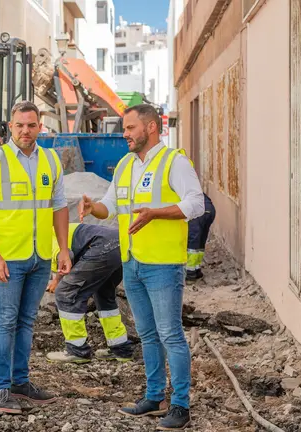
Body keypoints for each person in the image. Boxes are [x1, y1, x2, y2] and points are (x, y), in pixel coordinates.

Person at [78, 104, 204, 431]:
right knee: (147, 334)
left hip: (162, 265)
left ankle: (180, 405)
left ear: (150, 127)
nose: (124, 134)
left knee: (170, 334)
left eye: (130, 128)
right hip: (132, 263)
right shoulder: (125, 165)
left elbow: (196, 203)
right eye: (124, 128)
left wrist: (156, 213)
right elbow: (110, 205)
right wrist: (94, 207)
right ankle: (154, 397)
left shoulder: (174, 162)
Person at [0, 100, 72, 414]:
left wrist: (63, 249)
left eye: (31, 125)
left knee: (26, 322)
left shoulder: (51, 160)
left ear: (40, 126)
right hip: (9, 258)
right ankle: (0, 388)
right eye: (20, 125)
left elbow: (59, 208)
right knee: (4, 322)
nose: (26, 131)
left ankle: (20, 382)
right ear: (10, 126)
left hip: (40, 256)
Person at [44, 222, 135, 364]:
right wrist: (56, 279)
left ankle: (77, 350)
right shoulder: (55, 229)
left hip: (102, 245)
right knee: (104, 293)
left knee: (66, 292)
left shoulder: (45, 237)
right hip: (119, 243)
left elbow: (67, 256)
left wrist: (57, 281)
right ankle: (120, 348)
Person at [186, 192, 216, 281]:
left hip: (198, 211)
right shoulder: (192, 187)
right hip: (210, 210)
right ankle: (197, 269)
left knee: (193, 240)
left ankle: (190, 272)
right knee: (201, 239)